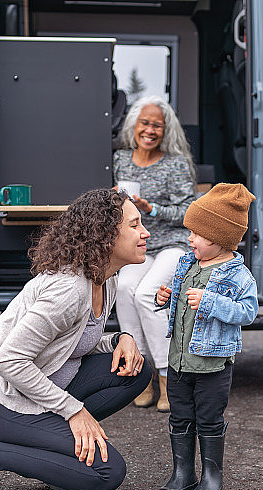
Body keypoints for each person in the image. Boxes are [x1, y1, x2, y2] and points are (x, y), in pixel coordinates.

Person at [0, 189, 153, 490]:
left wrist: (121, 339)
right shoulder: (68, 289)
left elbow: (74, 341)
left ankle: (55, 458)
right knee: (106, 473)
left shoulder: (105, 278)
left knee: (137, 370)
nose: (145, 233)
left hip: (40, 384)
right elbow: (9, 361)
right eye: (134, 225)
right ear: (106, 236)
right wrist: (73, 411)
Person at [154, 183, 258, 490]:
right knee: (180, 416)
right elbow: (177, 299)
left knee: (209, 418)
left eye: (195, 233)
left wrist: (212, 302)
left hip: (212, 366)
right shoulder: (187, 263)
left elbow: (248, 312)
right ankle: (182, 473)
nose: (189, 239)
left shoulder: (238, 276)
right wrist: (165, 298)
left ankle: (212, 475)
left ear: (217, 237)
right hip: (179, 362)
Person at [113, 95, 196, 413]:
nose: (149, 130)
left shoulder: (174, 163)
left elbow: (190, 210)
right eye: (144, 123)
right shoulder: (120, 160)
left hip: (172, 244)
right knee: (123, 288)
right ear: (134, 125)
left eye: (156, 125)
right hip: (139, 245)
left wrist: (153, 208)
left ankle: (166, 376)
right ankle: (141, 373)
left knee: (149, 294)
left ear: (166, 130)